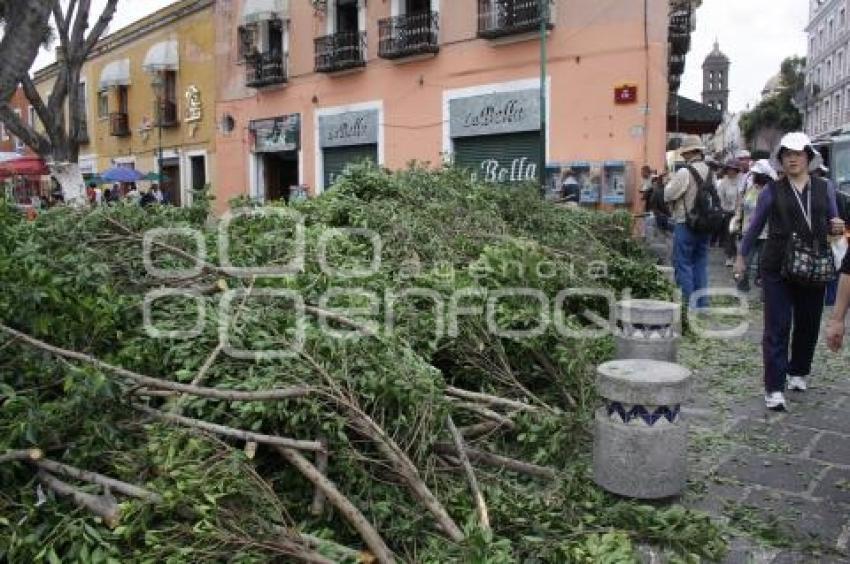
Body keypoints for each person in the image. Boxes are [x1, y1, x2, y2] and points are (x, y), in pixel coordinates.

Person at [733, 132, 845, 411]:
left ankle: (798, 371)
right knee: (777, 326)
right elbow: (756, 226)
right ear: (781, 160)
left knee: (808, 323)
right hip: (777, 266)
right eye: (787, 154)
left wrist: (837, 227)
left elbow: (834, 221)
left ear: (808, 157)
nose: (792, 159)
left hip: (814, 264)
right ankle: (774, 386)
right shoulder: (772, 190)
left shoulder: (825, 187)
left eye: (797, 154)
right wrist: (741, 255)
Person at [664, 135, 713, 308]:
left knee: (683, 264)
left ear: (691, 152)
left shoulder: (685, 172)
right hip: (706, 225)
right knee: (700, 263)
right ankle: (702, 305)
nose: (683, 156)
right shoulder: (710, 172)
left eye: (684, 153)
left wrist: (668, 183)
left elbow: (668, 194)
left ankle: (688, 306)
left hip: (686, 223)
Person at [732, 159, 777, 292]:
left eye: (757, 174)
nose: (754, 176)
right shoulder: (749, 187)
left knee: (764, 265)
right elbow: (741, 205)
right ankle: (742, 287)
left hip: (767, 234)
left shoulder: (773, 191)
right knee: (744, 260)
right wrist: (738, 221)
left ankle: (766, 292)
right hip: (748, 231)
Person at [715, 159, 741, 263]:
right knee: (729, 235)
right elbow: (720, 197)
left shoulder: (742, 180)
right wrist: (721, 210)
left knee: (739, 236)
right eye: (729, 169)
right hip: (728, 213)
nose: (731, 171)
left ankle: (738, 256)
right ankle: (729, 256)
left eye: (734, 169)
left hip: (740, 212)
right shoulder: (724, 182)